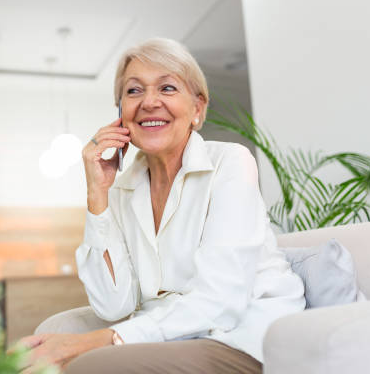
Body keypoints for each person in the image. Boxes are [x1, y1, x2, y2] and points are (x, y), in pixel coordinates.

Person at [18, 38, 305, 373]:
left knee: (92, 365)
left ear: (197, 108)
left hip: (242, 340)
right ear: (120, 113)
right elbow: (113, 305)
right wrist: (97, 194)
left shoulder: (231, 163)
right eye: (134, 91)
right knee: (43, 347)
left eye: (167, 88)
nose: (149, 102)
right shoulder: (122, 187)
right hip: (171, 337)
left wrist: (94, 342)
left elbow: (219, 304)